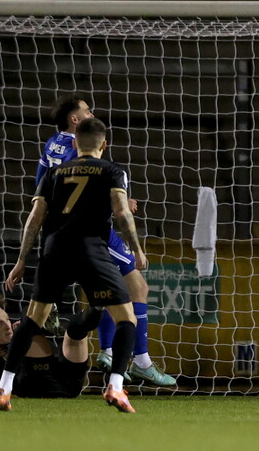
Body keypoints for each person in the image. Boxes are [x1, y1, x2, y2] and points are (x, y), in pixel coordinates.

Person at [0, 117, 146, 413]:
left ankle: (3, 388)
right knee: (127, 318)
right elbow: (122, 213)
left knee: (33, 319)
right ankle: (115, 386)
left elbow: (34, 219)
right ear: (104, 144)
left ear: (74, 144)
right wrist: (137, 249)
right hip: (91, 250)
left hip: (54, 251)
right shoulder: (113, 171)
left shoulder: (53, 172)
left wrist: (21, 260)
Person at [38, 94, 175, 387]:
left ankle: (110, 351)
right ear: (75, 120)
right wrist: (116, 200)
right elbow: (82, 184)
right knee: (135, 286)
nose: (92, 113)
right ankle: (139, 361)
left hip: (58, 232)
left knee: (109, 292)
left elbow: (48, 188)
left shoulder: (52, 144)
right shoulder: (77, 149)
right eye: (87, 110)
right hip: (88, 232)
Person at [0, 291, 102, 399]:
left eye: (7, 319)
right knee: (28, 316)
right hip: (35, 387)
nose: (7, 326)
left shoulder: (19, 335)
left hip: (67, 385)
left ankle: (100, 305)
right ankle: (42, 321)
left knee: (75, 330)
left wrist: (23, 333)